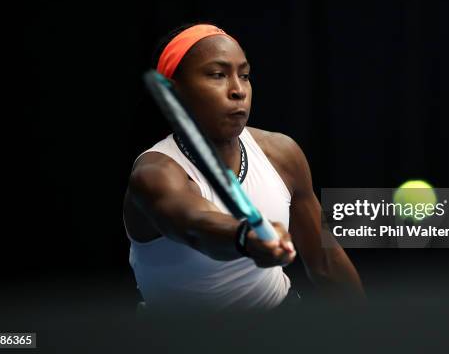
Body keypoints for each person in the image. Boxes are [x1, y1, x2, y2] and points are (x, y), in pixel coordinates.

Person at [123, 23, 364, 311]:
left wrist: (368, 333)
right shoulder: (154, 174)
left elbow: (325, 264)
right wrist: (246, 237)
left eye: (245, 75)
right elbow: (195, 226)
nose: (238, 90)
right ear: (174, 92)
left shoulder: (282, 153)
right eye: (218, 75)